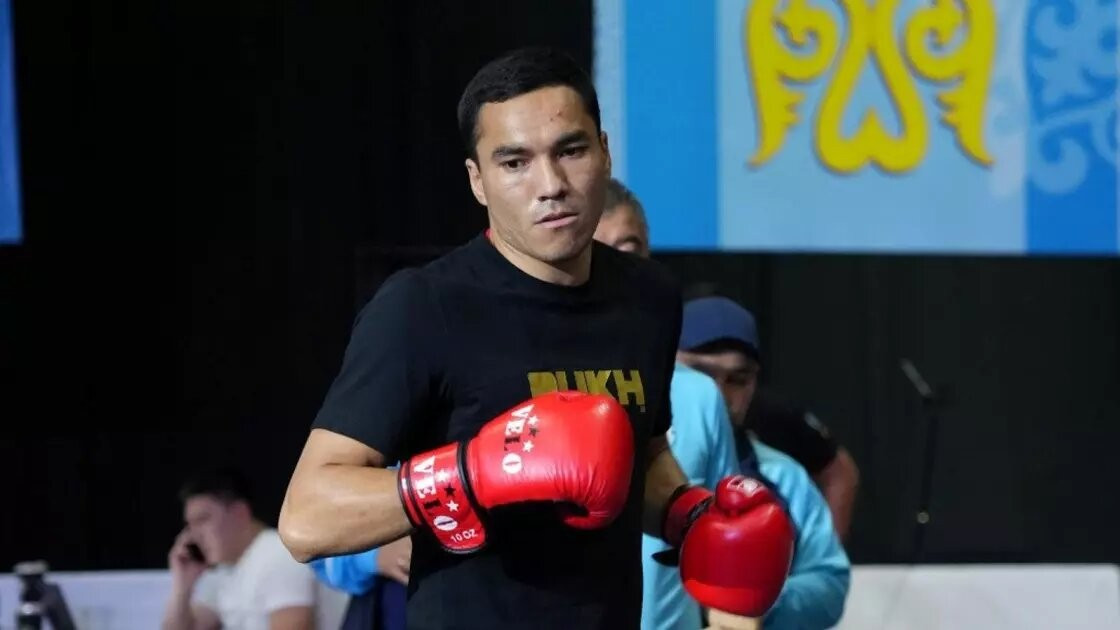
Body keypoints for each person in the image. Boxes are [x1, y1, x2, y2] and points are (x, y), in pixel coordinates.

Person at [277, 47, 796, 629]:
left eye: (570, 151)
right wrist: (472, 475)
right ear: (478, 181)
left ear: (605, 151)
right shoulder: (422, 308)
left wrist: (687, 513)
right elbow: (306, 519)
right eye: (514, 162)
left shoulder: (647, 298)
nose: (550, 184)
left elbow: (645, 454)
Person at [594, 181, 850, 629]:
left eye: (738, 377)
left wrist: (755, 598)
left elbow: (747, 577)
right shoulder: (515, 378)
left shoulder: (701, 402)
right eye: (593, 250)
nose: (724, 388)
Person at [162, 468, 317, 630]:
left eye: (203, 520)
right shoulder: (224, 569)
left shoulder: (278, 555)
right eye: (191, 525)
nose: (194, 535)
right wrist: (182, 586)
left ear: (239, 513)